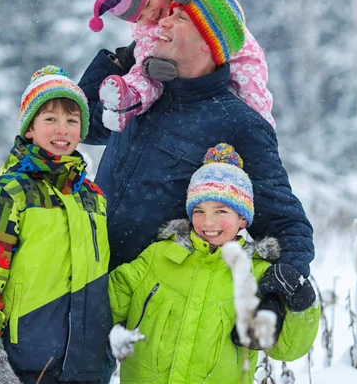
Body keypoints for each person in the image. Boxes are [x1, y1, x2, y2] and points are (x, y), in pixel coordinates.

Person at [79, 0, 315, 281]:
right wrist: (122, 60)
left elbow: (285, 223)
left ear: (208, 42)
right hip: (90, 281)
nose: (162, 21)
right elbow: (82, 122)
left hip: (153, 306)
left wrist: (282, 289)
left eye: (180, 18)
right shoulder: (139, 94)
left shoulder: (238, 123)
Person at [108, 144, 320, 384]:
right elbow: (104, 306)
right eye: (199, 210)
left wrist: (301, 302)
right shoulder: (159, 256)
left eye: (221, 211)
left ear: (242, 218)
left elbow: (287, 349)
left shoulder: (257, 275)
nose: (208, 221)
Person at [0, 66, 111, 384]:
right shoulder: (7, 193)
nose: (62, 130)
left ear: (82, 131)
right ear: (30, 128)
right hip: (26, 365)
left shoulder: (94, 199)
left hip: (89, 368)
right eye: (50, 119)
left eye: (71, 120)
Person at [88, 0, 275, 132]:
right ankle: (126, 102)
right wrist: (148, 65)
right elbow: (144, 51)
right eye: (139, 17)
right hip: (201, 77)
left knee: (250, 90)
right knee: (143, 78)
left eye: (148, 4)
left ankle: (261, 130)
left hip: (234, 44)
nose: (149, 16)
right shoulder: (148, 30)